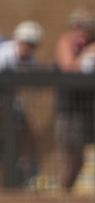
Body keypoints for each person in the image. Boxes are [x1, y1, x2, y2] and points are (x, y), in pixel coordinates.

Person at [55, 8, 95, 192]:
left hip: (90, 111)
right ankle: (61, 194)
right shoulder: (66, 41)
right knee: (71, 158)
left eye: (85, 27)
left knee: (82, 159)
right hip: (69, 110)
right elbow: (68, 67)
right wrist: (88, 54)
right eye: (78, 26)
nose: (81, 30)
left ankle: (67, 192)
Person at [0, 21, 42, 188]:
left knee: (26, 131)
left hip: (8, 103)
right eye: (26, 43)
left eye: (32, 45)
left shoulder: (30, 59)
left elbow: (37, 82)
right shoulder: (4, 55)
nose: (28, 48)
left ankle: (26, 171)